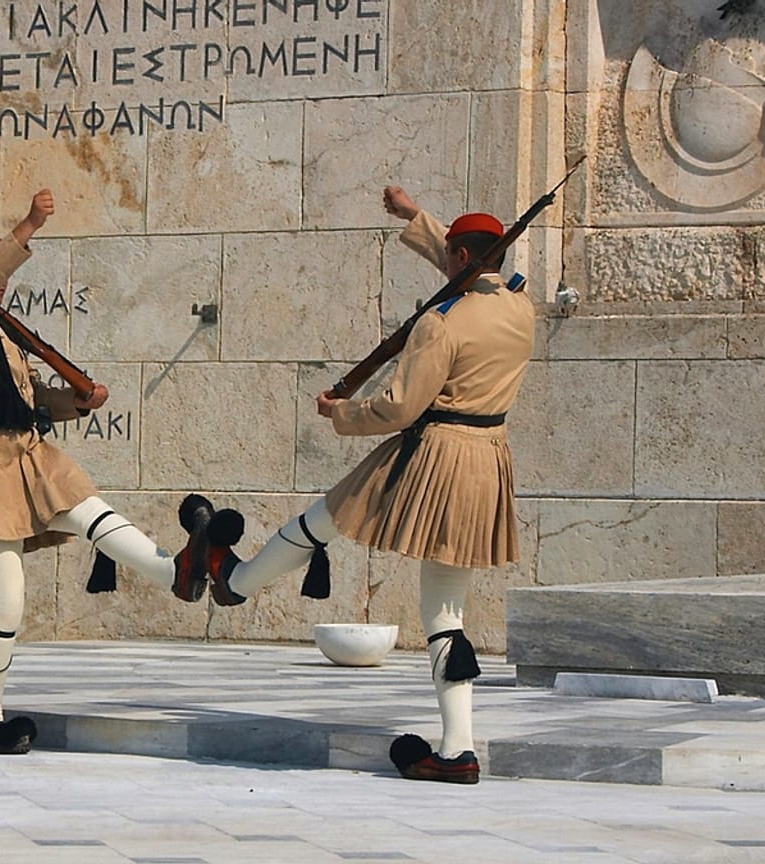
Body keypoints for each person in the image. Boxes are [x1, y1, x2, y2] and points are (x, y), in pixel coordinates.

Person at [183, 186, 536, 784]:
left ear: (460, 258)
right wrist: (415, 220)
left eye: (449, 252)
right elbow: (469, 277)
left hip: (432, 454)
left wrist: (340, 413)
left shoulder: (439, 324)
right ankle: (458, 749)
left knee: (326, 517)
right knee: (445, 612)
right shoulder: (520, 309)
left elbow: (399, 407)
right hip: (488, 460)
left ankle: (233, 580)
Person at [0, 188, 207, 757]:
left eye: (1, 277)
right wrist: (26, 227)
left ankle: (174, 571)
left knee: (91, 510)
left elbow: (29, 397)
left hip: (26, 449)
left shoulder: (4, 335)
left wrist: (77, 401)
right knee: (4, 604)